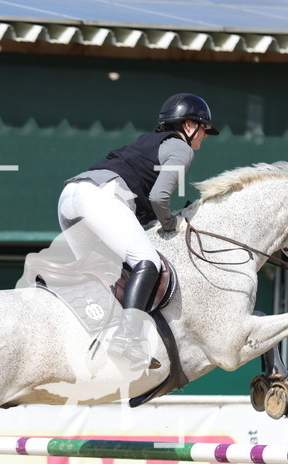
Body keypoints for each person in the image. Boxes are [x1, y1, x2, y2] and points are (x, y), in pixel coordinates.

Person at [57, 93, 219, 370]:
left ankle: (94, 336)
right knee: (148, 262)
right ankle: (127, 340)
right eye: (204, 129)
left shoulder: (146, 143)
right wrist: (171, 224)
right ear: (189, 126)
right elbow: (159, 198)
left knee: (107, 276)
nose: (204, 136)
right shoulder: (182, 149)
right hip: (100, 197)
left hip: (70, 197)